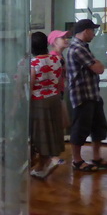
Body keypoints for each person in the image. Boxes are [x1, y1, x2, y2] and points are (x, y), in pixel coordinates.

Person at [64, 18, 107, 172]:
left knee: (98, 127)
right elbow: (98, 69)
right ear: (85, 31)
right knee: (80, 129)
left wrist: (96, 63)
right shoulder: (78, 49)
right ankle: (77, 160)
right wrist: (97, 63)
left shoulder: (82, 47)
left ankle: (96, 157)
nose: (94, 34)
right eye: (92, 31)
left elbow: (97, 66)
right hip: (83, 96)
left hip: (92, 94)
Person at [29, 31, 65, 179]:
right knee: (51, 132)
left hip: (39, 102)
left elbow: (30, 85)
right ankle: (47, 160)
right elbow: (59, 80)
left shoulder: (34, 63)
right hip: (54, 99)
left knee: (41, 134)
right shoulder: (56, 59)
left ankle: (42, 165)